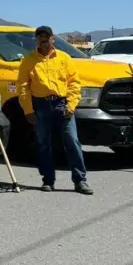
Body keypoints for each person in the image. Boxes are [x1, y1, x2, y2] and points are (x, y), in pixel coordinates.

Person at [17, 25, 93, 194]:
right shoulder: (28, 60)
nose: (43, 41)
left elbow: (73, 83)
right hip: (40, 106)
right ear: (36, 40)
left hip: (62, 104)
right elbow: (23, 86)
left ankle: (80, 180)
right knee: (44, 144)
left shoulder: (64, 58)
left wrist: (71, 105)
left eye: (47, 38)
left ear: (53, 39)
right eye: (40, 38)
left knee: (72, 142)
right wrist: (28, 110)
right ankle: (48, 180)